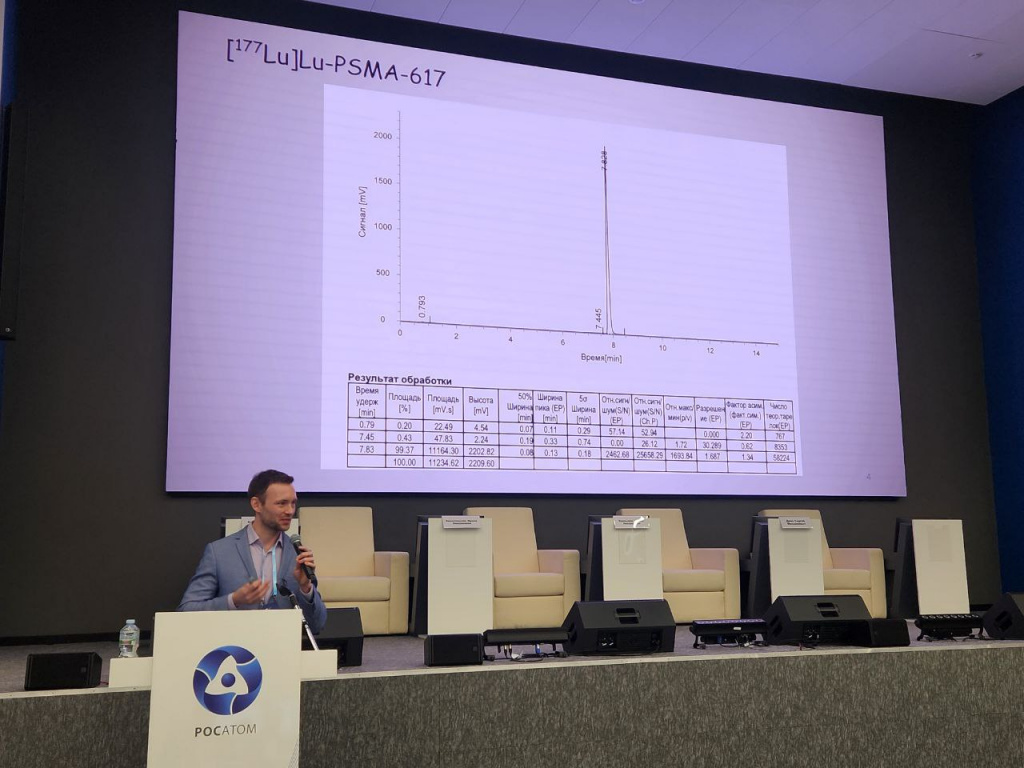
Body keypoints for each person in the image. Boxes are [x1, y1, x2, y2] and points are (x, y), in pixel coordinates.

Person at [178, 469, 327, 634]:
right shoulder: (219, 552)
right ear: (256, 504)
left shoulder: (297, 555)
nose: (290, 511)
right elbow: (186, 611)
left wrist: (306, 588)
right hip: (234, 645)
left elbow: (317, 625)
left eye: (293, 503)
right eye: (281, 503)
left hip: (282, 645)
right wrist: (233, 600)